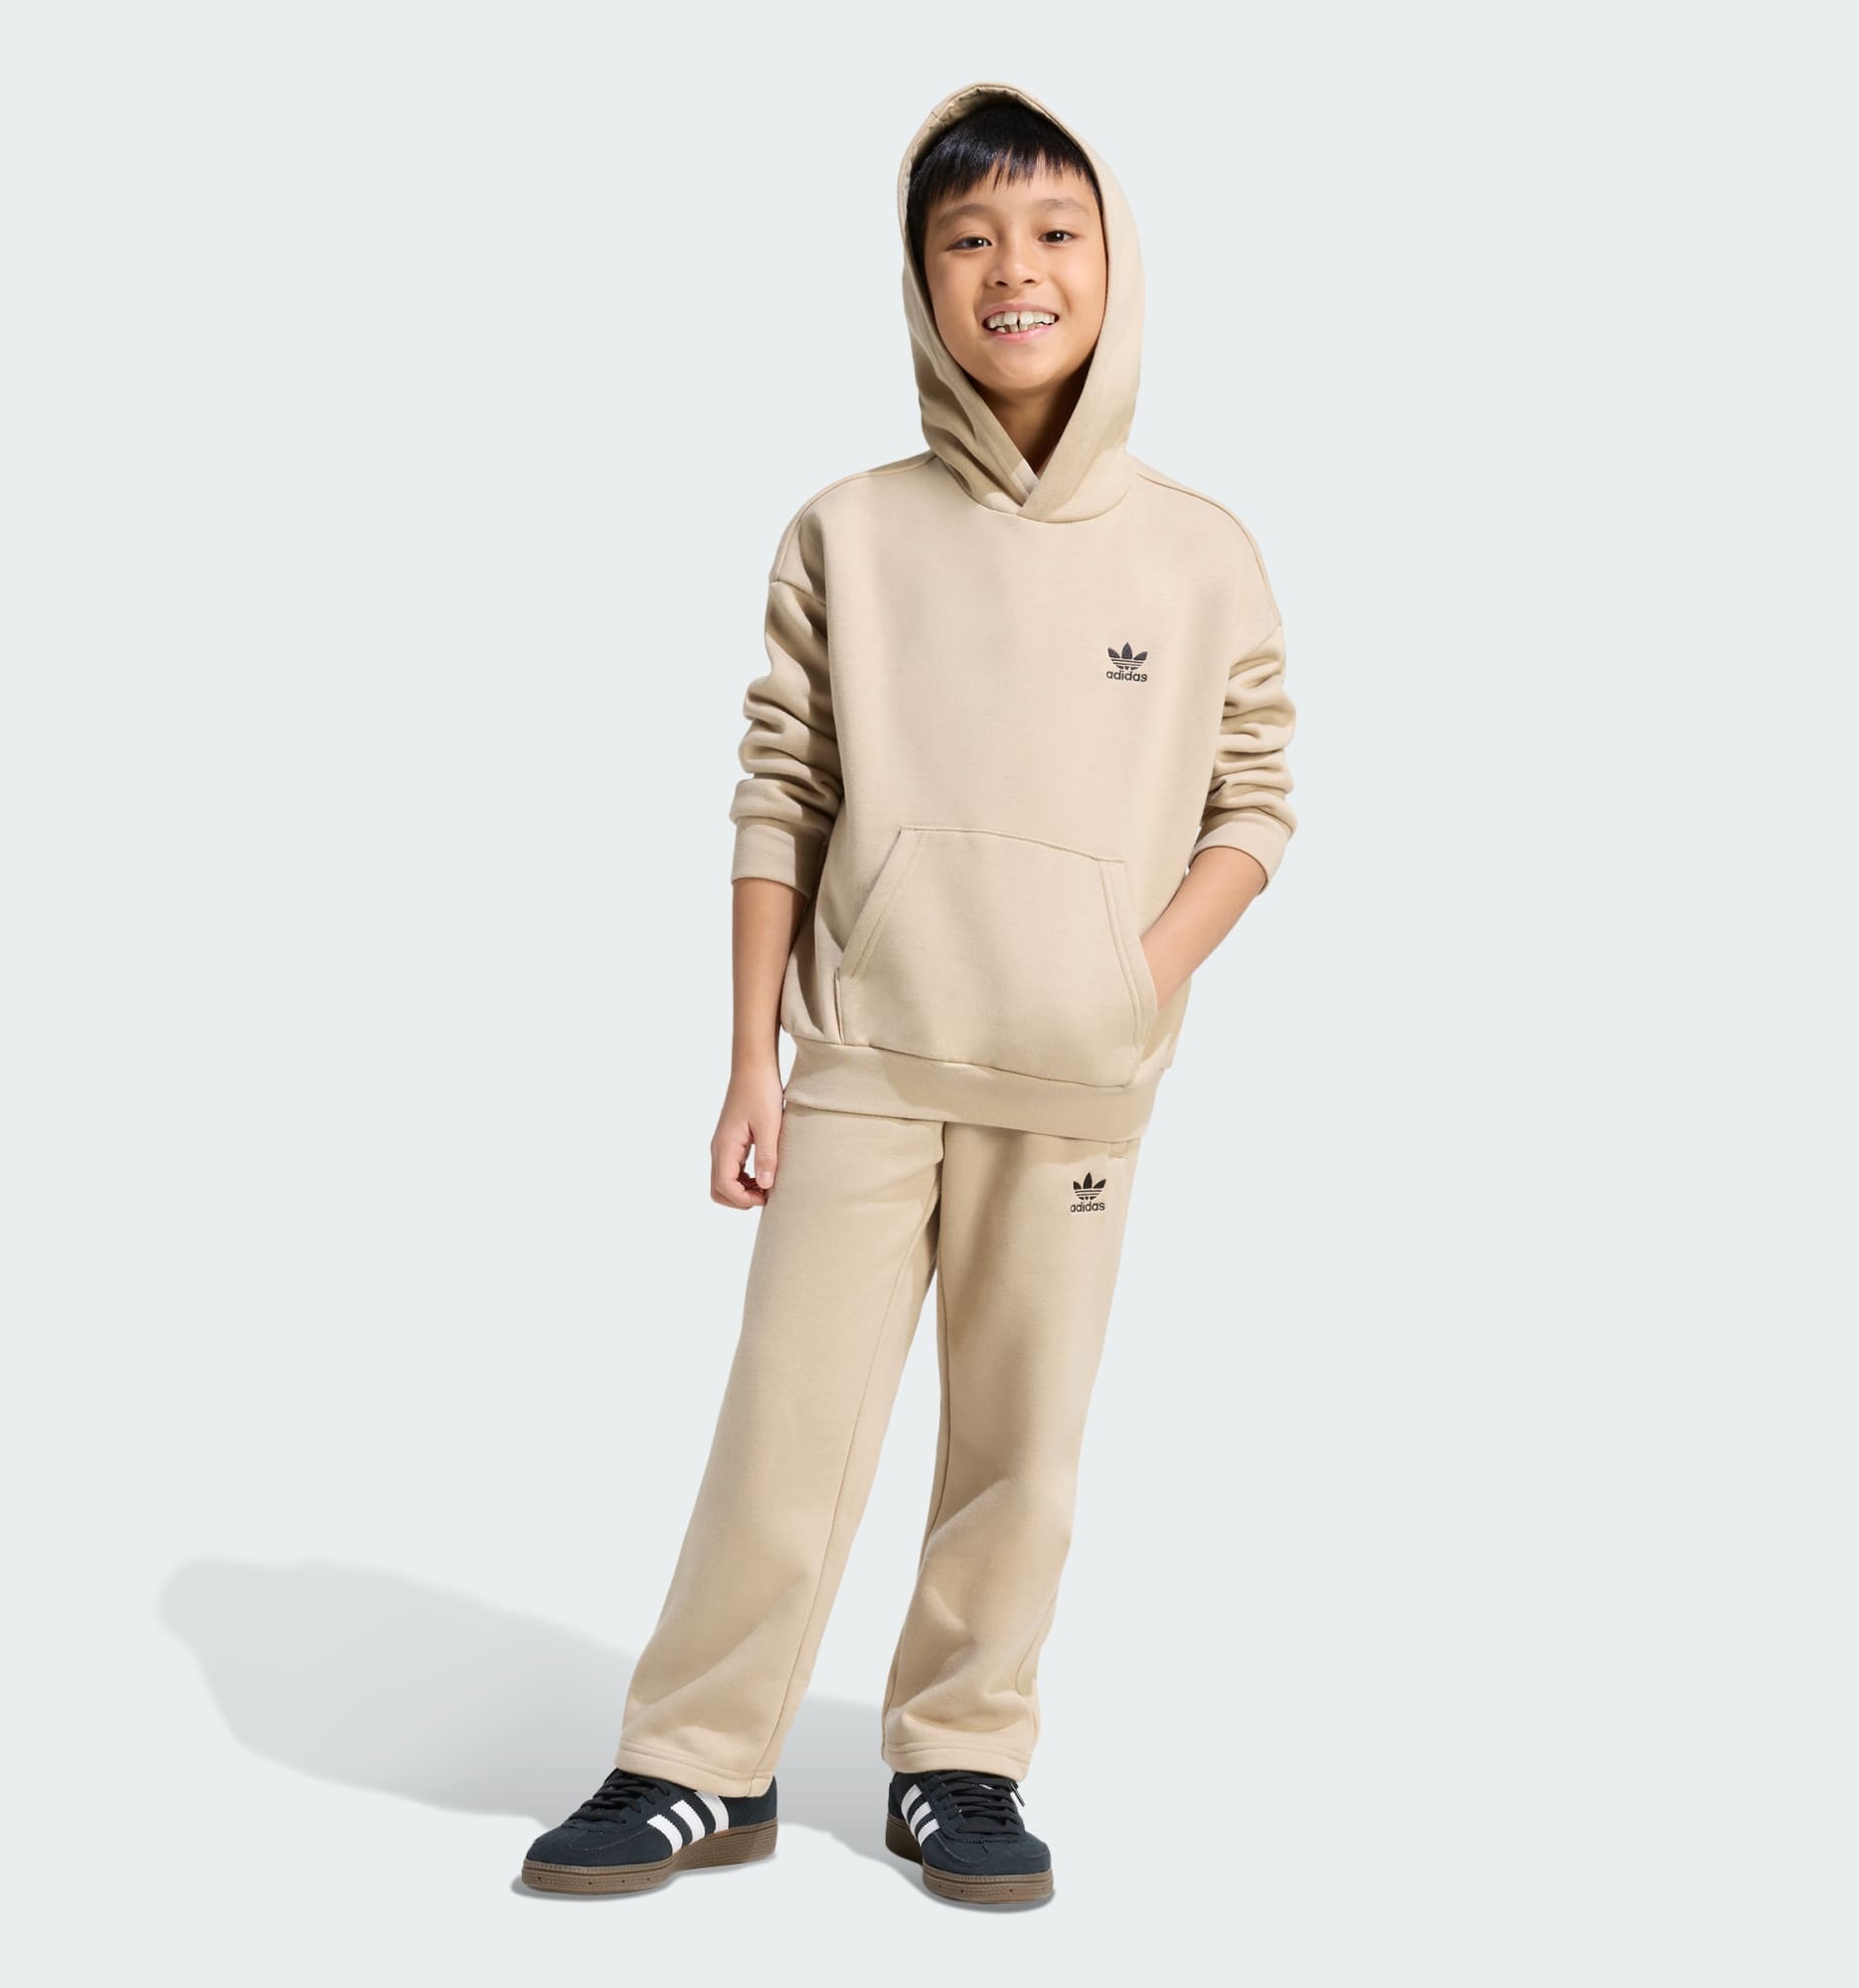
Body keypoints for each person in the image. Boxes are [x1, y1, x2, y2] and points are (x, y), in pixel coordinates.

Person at [520, 78, 1297, 1907]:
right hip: (862, 1059)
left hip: (1078, 1077)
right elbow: (780, 788)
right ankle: (697, 1757)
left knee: (1023, 1445)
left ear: (1112, 261)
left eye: (1052, 231)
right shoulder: (846, 531)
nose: (1013, 269)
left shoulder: (1201, 553)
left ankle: (960, 1755)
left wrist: (1131, 977)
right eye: (968, 239)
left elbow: (1256, 799)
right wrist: (749, 1061)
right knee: (784, 1424)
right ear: (920, 277)